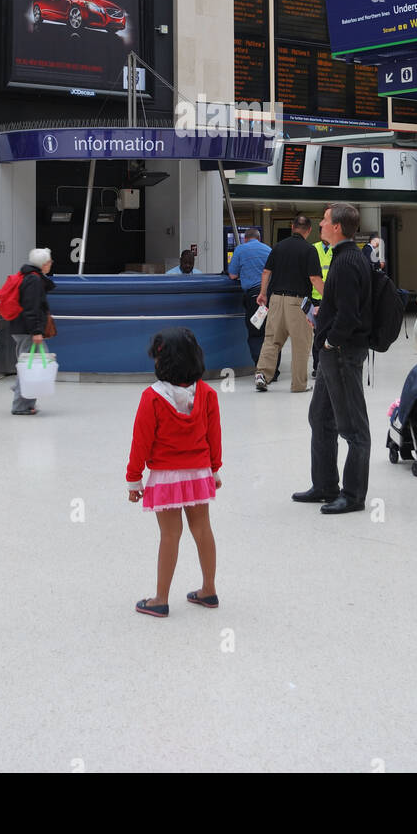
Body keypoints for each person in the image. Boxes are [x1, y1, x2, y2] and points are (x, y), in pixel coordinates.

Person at [126, 328, 223, 617]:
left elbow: (140, 441)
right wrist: (214, 469)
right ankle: (209, 590)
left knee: (170, 535)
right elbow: (214, 436)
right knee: (202, 529)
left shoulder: (152, 398)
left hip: (166, 477)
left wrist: (134, 478)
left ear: (161, 362)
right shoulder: (206, 393)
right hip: (199, 473)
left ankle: (160, 599)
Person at [292, 203, 372, 514]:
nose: (321, 224)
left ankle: (353, 495)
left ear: (337, 227)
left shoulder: (347, 262)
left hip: (341, 354)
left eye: (325, 221)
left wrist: (330, 342)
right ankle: (325, 484)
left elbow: (350, 314)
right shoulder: (344, 258)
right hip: (333, 354)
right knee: (321, 417)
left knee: (352, 427)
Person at [254, 214, 324, 393]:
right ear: (308, 230)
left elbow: (266, 272)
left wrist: (263, 293)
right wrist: (330, 298)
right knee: (301, 344)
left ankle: (262, 375)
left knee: (271, 340)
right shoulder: (309, 250)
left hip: (276, 300)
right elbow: (315, 278)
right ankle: (299, 385)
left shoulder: (278, 247)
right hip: (298, 303)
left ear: (292, 227)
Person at [10, 248, 55, 415]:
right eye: (49, 261)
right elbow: (32, 308)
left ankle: (24, 397)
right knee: (30, 366)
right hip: (28, 330)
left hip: (21, 328)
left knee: (28, 364)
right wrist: (36, 331)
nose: (51, 264)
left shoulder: (28, 277)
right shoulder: (34, 281)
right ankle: (20, 405)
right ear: (44, 264)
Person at [227, 227, 272, 369]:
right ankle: (273, 369)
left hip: (254, 297)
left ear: (245, 239)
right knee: (270, 334)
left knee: (256, 333)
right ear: (259, 239)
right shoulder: (268, 249)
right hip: (271, 295)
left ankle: (261, 368)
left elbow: (233, 275)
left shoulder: (240, 249)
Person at [310, 234, 331, 375]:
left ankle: (327, 364)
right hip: (315, 297)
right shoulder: (313, 248)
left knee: (329, 331)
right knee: (317, 332)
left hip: (331, 297)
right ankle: (317, 366)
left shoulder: (336, 249)